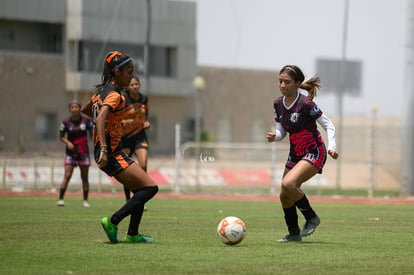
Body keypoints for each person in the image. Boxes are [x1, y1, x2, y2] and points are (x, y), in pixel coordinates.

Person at [81, 51, 158, 243]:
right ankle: (113, 221)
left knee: (140, 188)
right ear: (117, 72)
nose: (132, 76)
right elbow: (99, 117)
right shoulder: (115, 95)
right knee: (151, 188)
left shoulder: (101, 91)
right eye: (129, 72)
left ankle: (133, 234)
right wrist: (105, 147)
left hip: (106, 151)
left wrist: (108, 127)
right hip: (111, 153)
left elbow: (86, 111)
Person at [266, 65, 339, 243]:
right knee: (284, 193)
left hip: (314, 151)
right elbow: (281, 130)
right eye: (280, 81)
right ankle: (293, 234)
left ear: (298, 83)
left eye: (287, 82)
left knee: (289, 183)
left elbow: (328, 125)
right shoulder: (277, 104)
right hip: (295, 153)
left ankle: (312, 218)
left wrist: (332, 146)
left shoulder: (306, 104)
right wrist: (275, 137)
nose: (282, 85)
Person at [57, 99, 93, 207]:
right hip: (71, 153)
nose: (74, 109)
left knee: (85, 177)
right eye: (72, 107)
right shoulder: (66, 122)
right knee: (67, 175)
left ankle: (85, 201)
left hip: (84, 152)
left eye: (76, 107)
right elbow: (61, 137)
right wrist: (68, 142)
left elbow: (92, 135)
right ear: (70, 109)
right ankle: (60, 199)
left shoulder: (86, 121)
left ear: (80, 108)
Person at [121, 76, 151, 204]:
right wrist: (123, 122)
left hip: (140, 136)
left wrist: (146, 123)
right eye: (132, 84)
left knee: (143, 165)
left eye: (137, 84)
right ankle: (129, 200)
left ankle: (140, 198)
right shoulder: (122, 99)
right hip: (125, 139)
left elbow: (145, 116)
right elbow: (115, 118)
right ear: (128, 87)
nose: (135, 86)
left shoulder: (144, 99)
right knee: (127, 170)